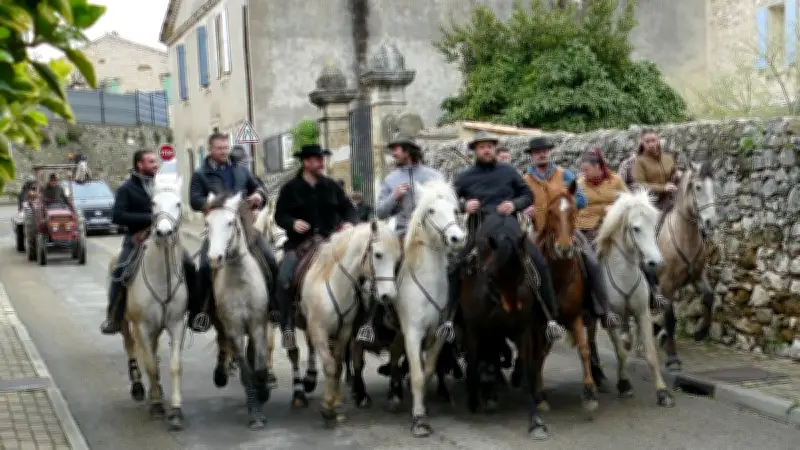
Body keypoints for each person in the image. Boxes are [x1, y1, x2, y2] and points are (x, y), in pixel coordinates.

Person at [451, 131, 561, 336]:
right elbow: (449, 201)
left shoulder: (508, 171)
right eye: (482, 147)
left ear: (494, 149)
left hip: (512, 233)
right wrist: (464, 205)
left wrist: (514, 204)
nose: (486, 150)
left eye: (489, 146)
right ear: (475, 151)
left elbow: (527, 195)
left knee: (540, 263)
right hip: (480, 234)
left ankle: (550, 318)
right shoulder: (464, 177)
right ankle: (450, 321)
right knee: (454, 267)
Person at [100, 150, 203, 334]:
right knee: (120, 270)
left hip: (166, 239)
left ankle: (195, 314)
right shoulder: (127, 188)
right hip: (136, 239)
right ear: (140, 164)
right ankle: (113, 317)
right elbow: (117, 216)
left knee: (189, 265)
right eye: (151, 162)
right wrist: (151, 218)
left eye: (156, 161)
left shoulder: (161, 186)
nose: (156, 165)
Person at [521, 137, 618, 328]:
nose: (541, 154)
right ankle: (523, 311)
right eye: (537, 152)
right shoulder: (525, 181)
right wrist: (524, 208)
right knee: (521, 265)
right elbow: (519, 200)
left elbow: (581, 199)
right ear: (531, 156)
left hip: (566, 230)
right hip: (538, 231)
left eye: (544, 151)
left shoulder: (565, 175)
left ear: (549, 152)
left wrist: (569, 203)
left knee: (592, 262)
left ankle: (603, 310)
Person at [189, 132, 279, 333]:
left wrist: (258, 195)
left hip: (245, 225)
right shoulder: (201, 174)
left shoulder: (240, 169)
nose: (224, 151)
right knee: (204, 267)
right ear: (210, 149)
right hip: (219, 227)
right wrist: (213, 203)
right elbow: (194, 200)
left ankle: (274, 306)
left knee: (270, 259)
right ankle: (201, 312)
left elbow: (259, 188)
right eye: (219, 148)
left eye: (226, 147)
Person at [273, 144, 357, 349]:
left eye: (322, 159)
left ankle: (361, 324)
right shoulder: (290, 188)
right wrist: (292, 223)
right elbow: (279, 215)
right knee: (284, 277)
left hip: (331, 242)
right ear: (306, 162)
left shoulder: (332, 186)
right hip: (300, 244)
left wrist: (349, 222)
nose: (321, 163)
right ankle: (287, 326)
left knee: (358, 274)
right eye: (317, 159)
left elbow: (349, 209)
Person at [630, 128, 676, 308]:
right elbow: (638, 185)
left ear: (658, 140)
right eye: (648, 141)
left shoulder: (668, 158)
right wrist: (662, 188)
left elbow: (674, 175)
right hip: (652, 207)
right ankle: (652, 282)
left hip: (671, 203)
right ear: (642, 142)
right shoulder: (639, 162)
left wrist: (678, 177)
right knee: (650, 238)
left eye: (654, 140)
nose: (652, 144)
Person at [375, 132, 443, 239]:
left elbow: (446, 207)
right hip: (402, 237)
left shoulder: (434, 176)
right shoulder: (390, 179)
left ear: (407, 151)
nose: (393, 154)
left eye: (395, 149)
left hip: (431, 238)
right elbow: (380, 213)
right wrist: (394, 197)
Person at [575, 148, 628, 243]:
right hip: (586, 226)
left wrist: (615, 207)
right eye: (582, 170)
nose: (583, 173)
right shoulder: (579, 184)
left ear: (597, 167)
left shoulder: (615, 180)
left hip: (611, 222)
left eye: (586, 170)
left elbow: (628, 199)